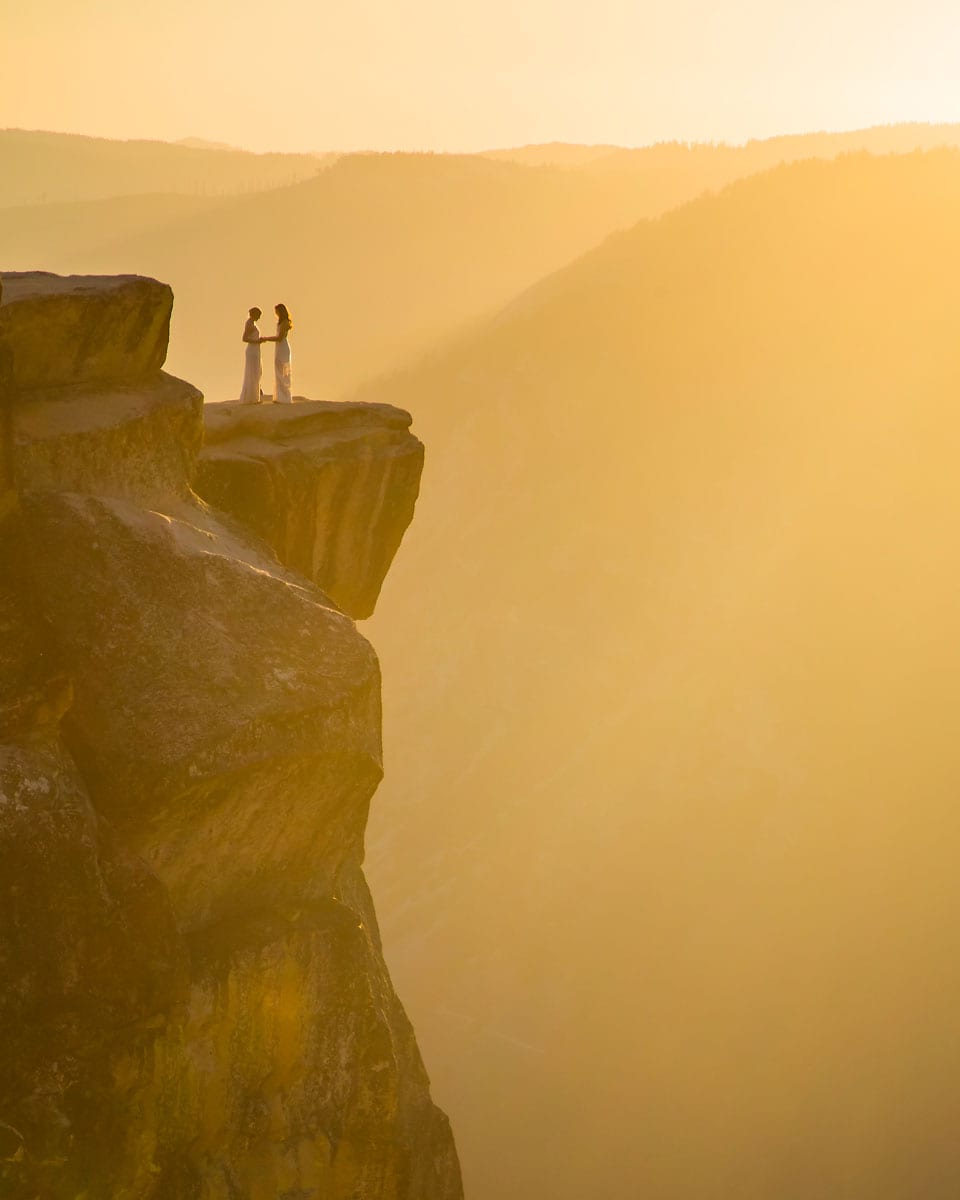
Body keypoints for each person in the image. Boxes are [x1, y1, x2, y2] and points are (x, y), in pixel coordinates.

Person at [262, 303, 293, 403]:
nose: (275, 313)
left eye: (277, 311)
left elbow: (279, 338)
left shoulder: (285, 323)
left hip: (282, 347)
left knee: (283, 371)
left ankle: (284, 397)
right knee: (278, 370)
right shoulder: (281, 322)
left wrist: (266, 338)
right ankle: (279, 396)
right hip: (279, 348)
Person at [238, 307, 264, 404]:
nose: (259, 318)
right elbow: (244, 338)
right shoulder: (249, 323)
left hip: (256, 350)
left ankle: (254, 397)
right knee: (252, 373)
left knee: (256, 372)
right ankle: (251, 398)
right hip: (252, 350)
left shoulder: (252, 323)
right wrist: (257, 341)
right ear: (255, 314)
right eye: (259, 315)